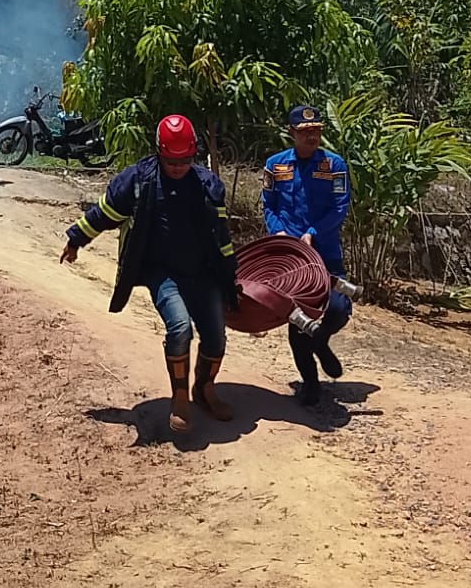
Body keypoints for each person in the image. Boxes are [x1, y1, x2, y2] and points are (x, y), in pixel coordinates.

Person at [61, 114, 238, 433]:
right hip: (162, 272)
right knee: (180, 328)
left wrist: (230, 277)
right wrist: (76, 239)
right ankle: (180, 397)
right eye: (171, 161)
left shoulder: (208, 186)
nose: (178, 167)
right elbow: (105, 212)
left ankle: (204, 389)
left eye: (184, 160)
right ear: (159, 153)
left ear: (193, 154)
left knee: (215, 338)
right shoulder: (138, 181)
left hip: (204, 273)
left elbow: (222, 238)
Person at [262, 104, 354, 405]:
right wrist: (278, 232)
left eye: (316, 131)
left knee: (339, 308)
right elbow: (269, 205)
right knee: (298, 318)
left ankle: (320, 339)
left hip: (325, 252)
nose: (312, 136)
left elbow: (339, 207)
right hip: (292, 259)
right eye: (305, 132)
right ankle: (311, 384)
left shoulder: (334, 165)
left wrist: (313, 232)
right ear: (291, 133)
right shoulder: (275, 165)